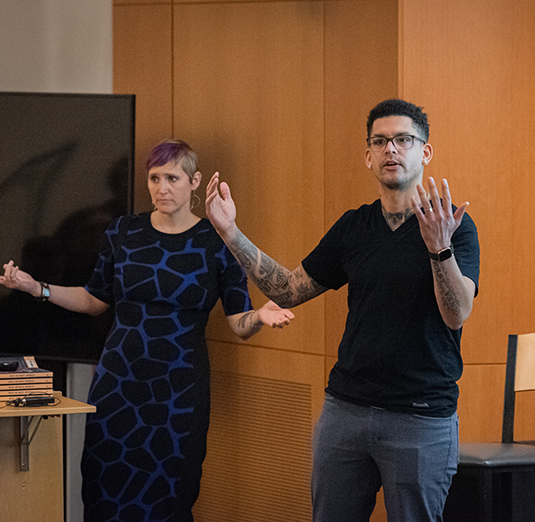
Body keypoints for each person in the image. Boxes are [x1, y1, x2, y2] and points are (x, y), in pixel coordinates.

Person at [0, 138, 294, 522]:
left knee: (171, 498)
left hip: (178, 394)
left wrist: (260, 317)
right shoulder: (123, 232)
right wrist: (38, 288)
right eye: (154, 178)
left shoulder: (217, 243)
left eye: (172, 177)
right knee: (104, 492)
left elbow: (238, 322)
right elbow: (93, 300)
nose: (162, 187)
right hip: (119, 385)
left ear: (194, 181)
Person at [205, 99, 480, 522]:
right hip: (345, 412)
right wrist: (230, 232)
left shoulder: (453, 224)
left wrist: (439, 248)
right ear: (368, 156)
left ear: (424, 151)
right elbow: (287, 289)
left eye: (403, 139)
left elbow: (456, 314)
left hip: (420, 416)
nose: (391, 149)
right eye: (380, 141)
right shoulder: (354, 226)